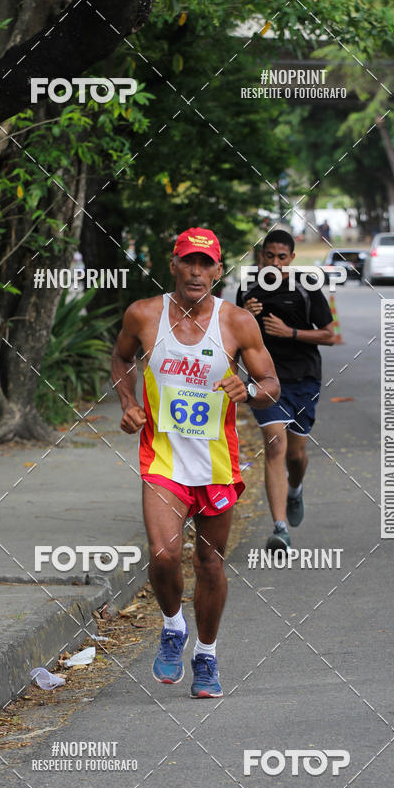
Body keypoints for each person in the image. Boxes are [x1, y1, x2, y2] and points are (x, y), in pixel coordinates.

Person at [112, 227, 280, 698]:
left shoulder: (237, 323)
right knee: (164, 555)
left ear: (218, 271)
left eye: (206, 264)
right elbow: (122, 358)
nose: (197, 271)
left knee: (209, 563)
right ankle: (171, 625)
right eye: (189, 261)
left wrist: (246, 391)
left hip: (216, 463)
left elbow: (272, 384)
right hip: (162, 455)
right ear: (174, 264)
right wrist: (127, 401)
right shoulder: (144, 314)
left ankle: (206, 656)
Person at [236, 229, 335, 552]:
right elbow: (236, 336)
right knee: (275, 444)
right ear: (261, 255)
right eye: (269, 255)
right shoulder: (247, 291)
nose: (275, 262)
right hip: (265, 380)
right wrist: (244, 319)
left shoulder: (306, 288)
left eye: (282, 257)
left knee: (296, 454)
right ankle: (280, 529)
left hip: (304, 378)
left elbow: (328, 335)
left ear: (291, 259)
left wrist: (290, 332)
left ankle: (295, 488)